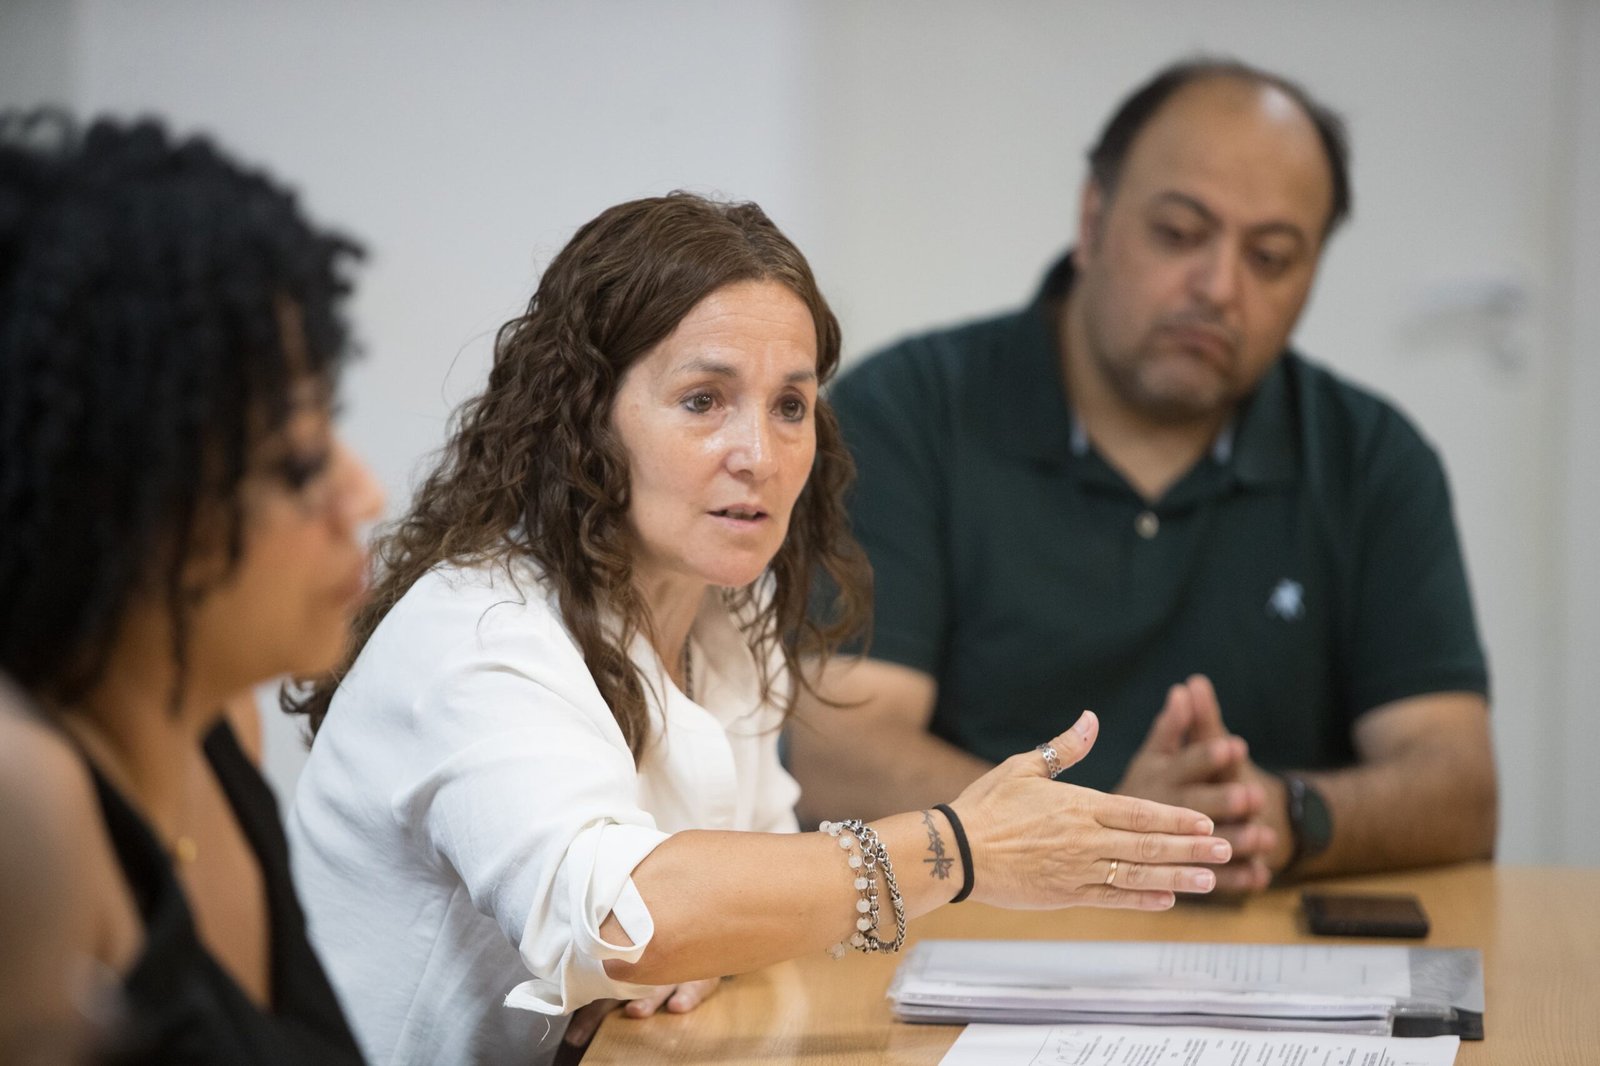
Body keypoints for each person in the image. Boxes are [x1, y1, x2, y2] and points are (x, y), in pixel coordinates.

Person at [284, 192, 1232, 1066]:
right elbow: (626, 919)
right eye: (704, 401)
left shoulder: (724, 613)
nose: (761, 456)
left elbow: (762, 881)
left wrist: (715, 943)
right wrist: (961, 847)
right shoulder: (479, 628)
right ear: (584, 418)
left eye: (790, 406)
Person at [787, 58, 1497, 894]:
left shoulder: (1371, 458)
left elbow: (1460, 786)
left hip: (1262, 940)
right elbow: (837, 758)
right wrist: (1110, 837)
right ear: (1092, 221)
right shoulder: (909, 411)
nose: (1219, 288)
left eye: (1271, 257)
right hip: (989, 927)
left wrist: (1287, 813)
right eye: (1179, 234)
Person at [0, 111, 383, 1062]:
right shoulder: (27, 796)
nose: (364, 495)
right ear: (126, 502)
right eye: (298, 462)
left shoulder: (221, 725)